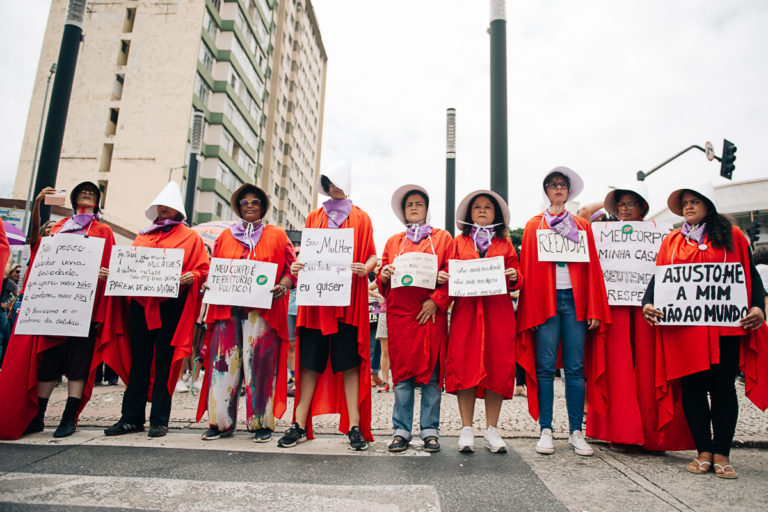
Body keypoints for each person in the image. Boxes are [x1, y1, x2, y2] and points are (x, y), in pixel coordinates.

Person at [642, 183, 768, 479]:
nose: (688, 206)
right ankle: (703, 450)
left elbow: (748, 274)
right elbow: (660, 278)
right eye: (684, 202)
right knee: (693, 389)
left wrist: (757, 307)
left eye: (694, 201)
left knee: (723, 389)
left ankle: (722, 451)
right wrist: (648, 303)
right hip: (685, 331)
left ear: (708, 205)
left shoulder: (733, 236)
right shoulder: (672, 240)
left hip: (724, 328)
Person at [0, 182, 115, 439]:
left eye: (93, 192)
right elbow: (37, 248)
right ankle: (38, 416)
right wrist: (38, 206)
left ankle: (69, 416)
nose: (88, 194)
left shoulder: (104, 231)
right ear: (73, 198)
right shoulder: (60, 228)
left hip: (85, 308)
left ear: (98, 200)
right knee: (48, 361)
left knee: (78, 363)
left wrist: (100, 300)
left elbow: (109, 267)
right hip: (56, 305)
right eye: (83, 192)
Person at [586, 182, 693, 452]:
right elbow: (585, 214)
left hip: (648, 308)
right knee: (618, 368)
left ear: (642, 207)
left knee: (650, 366)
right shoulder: (603, 232)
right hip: (615, 307)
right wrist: (604, 202)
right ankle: (622, 433)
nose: (623, 208)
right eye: (619, 204)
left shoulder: (661, 234)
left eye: (629, 203)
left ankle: (653, 435)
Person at [277, 161, 377, 451]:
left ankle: (354, 426)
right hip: (316, 305)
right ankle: (298, 424)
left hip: (347, 305)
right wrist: (297, 266)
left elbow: (372, 257)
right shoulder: (313, 217)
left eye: (337, 181)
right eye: (328, 181)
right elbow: (305, 257)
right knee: (309, 364)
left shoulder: (362, 218)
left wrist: (364, 268)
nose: (333, 186)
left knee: (349, 366)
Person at [100, 182, 209, 438]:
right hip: (140, 305)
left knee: (164, 363)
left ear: (177, 210)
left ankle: (160, 420)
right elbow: (132, 268)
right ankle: (131, 418)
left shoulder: (190, 237)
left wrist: (191, 276)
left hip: (171, 306)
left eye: (169, 206)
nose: (164, 209)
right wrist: (113, 273)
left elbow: (203, 269)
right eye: (161, 205)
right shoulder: (143, 235)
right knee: (138, 362)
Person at [517, 167, 611, 457]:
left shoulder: (581, 226)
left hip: (575, 300)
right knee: (544, 367)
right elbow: (528, 271)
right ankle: (546, 428)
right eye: (552, 185)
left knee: (575, 368)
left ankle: (575, 431)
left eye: (562, 185)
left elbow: (593, 268)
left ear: (569, 191)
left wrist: (594, 306)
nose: (557, 189)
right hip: (545, 302)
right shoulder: (534, 225)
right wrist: (529, 311)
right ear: (545, 190)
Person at [196, 184, 295, 442]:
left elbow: (290, 269)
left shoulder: (277, 235)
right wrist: (208, 281)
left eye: (255, 202)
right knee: (222, 364)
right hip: (226, 310)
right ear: (238, 207)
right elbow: (213, 268)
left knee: (260, 366)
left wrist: (283, 286)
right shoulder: (225, 237)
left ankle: (261, 423)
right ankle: (220, 423)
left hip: (262, 312)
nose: (250, 206)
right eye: (245, 202)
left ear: (263, 206)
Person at [444, 189, 521, 453]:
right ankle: (466, 428)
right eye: (477, 207)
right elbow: (449, 274)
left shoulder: (505, 244)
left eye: (488, 207)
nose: (482, 210)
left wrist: (513, 275)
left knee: (497, 367)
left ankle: (492, 429)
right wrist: (443, 279)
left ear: (495, 214)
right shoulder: (459, 242)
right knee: (465, 366)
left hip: (497, 313)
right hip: (467, 313)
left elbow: (519, 277)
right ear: (469, 213)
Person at [378, 185, 453, 453]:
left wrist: (436, 301)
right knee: (402, 377)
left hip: (430, 314)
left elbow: (451, 274)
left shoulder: (443, 238)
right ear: (403, 211)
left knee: (432, 376)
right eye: (409, 204)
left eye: (419, 203)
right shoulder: (393, 242)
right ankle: (401, 431)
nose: (413, 207)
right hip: (400, 316)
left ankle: (430, 431)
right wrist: (384, 274)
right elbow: (382, 278)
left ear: (426, 208)